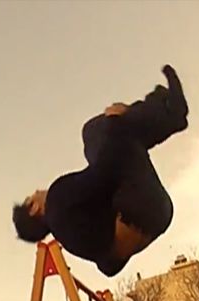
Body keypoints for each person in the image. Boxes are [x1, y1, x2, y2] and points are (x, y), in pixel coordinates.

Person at [11, 65, 189, 278]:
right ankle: (167, 110)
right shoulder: (58, 198)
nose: (39, 190)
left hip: (157, 215)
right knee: (96, 131)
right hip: (143, 204)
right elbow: (105, 172)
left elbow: (109, 268)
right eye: (33, 195)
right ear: (33, 208)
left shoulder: (70, 238)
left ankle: (165, 111)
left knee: (102, 140)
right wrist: (116, 121)